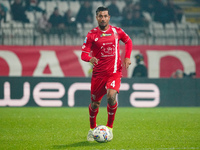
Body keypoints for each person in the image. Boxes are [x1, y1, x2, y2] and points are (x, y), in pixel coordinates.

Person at [81, 6, 133, 142]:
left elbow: (128, 41)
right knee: (94, 104)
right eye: (100, 16)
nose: (103, 18)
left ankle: (110, 127)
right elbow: (84, 54)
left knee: (111, 97)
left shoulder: (117, 32)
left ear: (109, 17)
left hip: (114, 73)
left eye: (105, 16)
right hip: (98, 75)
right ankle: (92, 129)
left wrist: (127, 57)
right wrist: (89, 58)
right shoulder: (91, 35)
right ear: (96, 18)